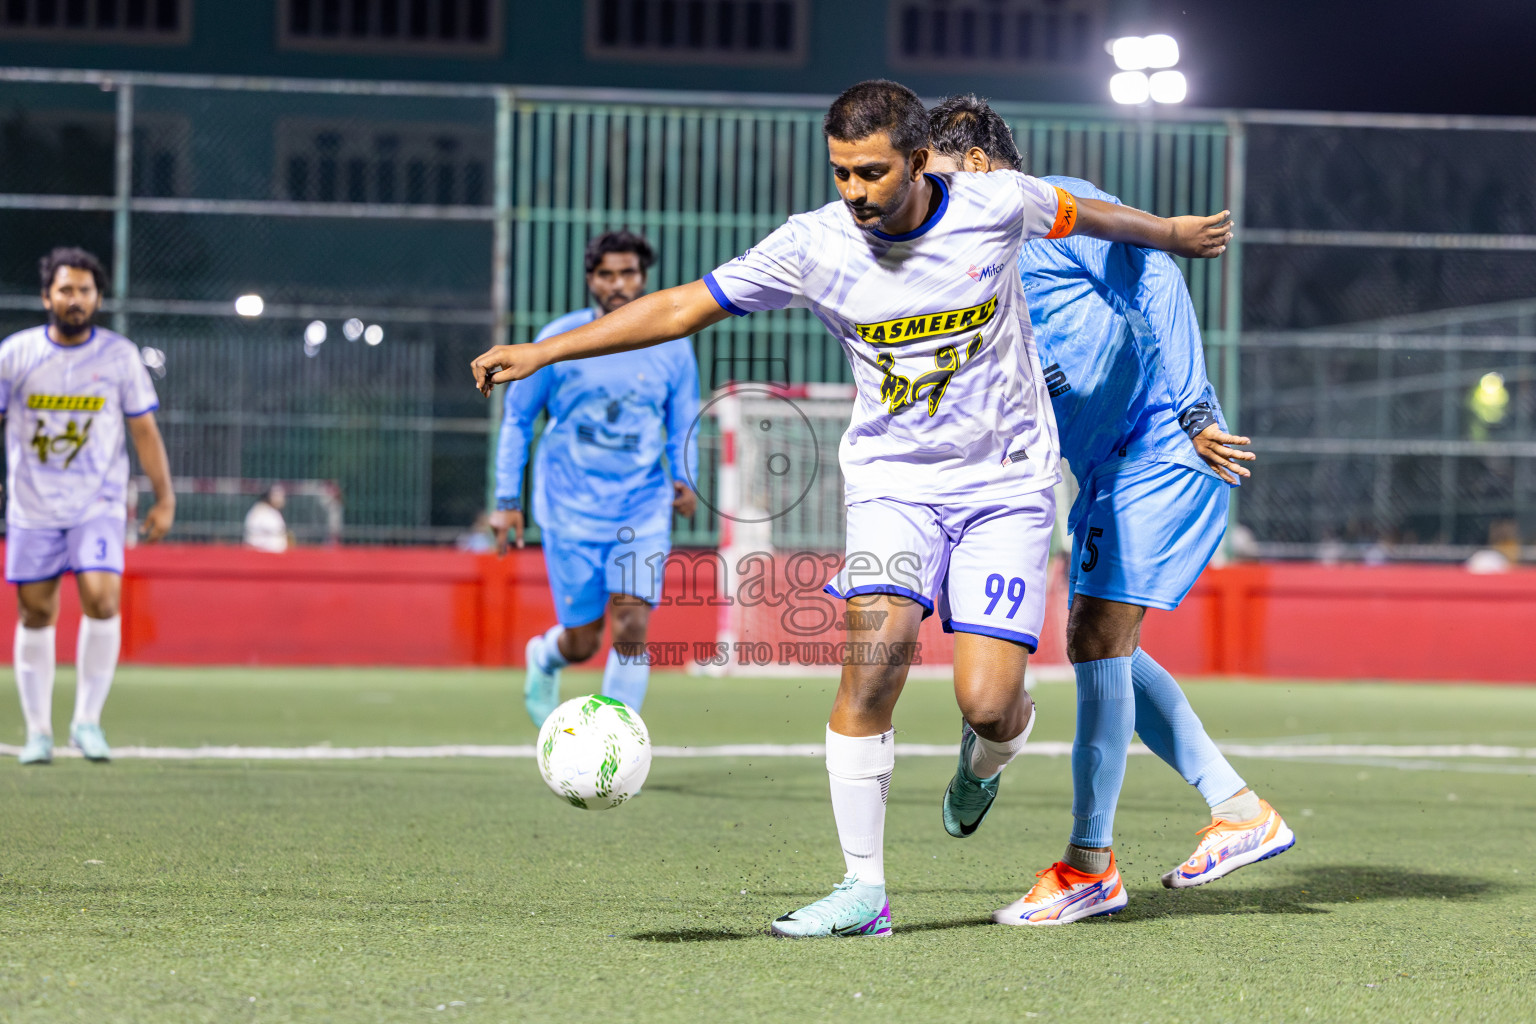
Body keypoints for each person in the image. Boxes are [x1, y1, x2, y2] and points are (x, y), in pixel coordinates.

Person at [472, 80, 1231, 937]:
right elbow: (683, 305)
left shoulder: (994, 204)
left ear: (917, 160)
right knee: (874, 659)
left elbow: (1095, 218)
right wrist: (544, 350)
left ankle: (986, 757)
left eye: (871, 173)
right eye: (839, 173)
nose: (854, 193)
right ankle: (862, 891)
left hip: (1007, 489)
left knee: (988, 703)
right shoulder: (814, 244)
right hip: (891, 486)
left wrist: (1170, 234)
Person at [926, 94, 1293, 925]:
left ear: (978, 162)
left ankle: (1090, 863)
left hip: (1163, 440)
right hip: (1101, 470)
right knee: (1107, 646)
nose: (929, 193)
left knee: (1096, 635)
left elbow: (1157, 268)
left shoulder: (1059, 206)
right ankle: (1238, 811)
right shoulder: (967, 257)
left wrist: (1197, 411)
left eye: (935, 174)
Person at [492, 230, 700, 725]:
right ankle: (545, 656)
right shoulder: (557, 342)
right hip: (569, 508)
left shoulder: (671, 347)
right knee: (583, 641)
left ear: (643, 277)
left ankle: (614, 738)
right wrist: (506, 499)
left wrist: (686, 477)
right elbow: (519, 419)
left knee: (631, 624)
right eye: (606, 274)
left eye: (627, 273)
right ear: (591, 280)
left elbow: (683, 420)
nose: (618, 284)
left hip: (641, 507)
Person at [1, 247, 175, 765]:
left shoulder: (119, 356)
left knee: (102, 598)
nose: (75, 299)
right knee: (36, 610)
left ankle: (86, 722)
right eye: (65, 290)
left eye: (84, 291)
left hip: (97, 502)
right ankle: (37, 732)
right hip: (32, 505)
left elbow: (143, 430)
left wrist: (164, 497)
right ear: (46, 296)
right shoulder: (15, 354)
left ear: (97, 297)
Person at [243, 484, 289, 553]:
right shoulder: (260, 511)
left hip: (274, 556)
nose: (281, 499)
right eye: (277, 496)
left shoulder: (272, 511)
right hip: (263, 555)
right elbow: (253, 539)